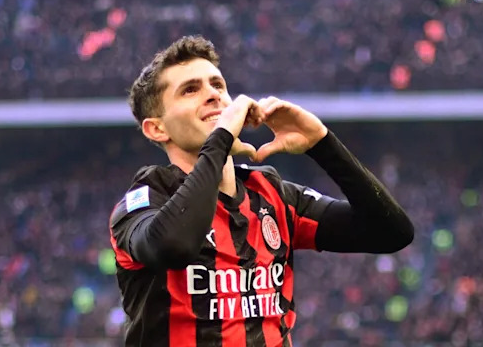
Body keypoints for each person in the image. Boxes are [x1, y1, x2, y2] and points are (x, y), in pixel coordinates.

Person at [108, 35, 414, 346]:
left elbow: (391, 232)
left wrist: (322, 143)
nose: (213, 95)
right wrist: (221, 137)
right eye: (190, 90)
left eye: (218, 85)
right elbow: (174, 245)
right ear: (157, 128)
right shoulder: (144, 201)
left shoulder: (272, 195)